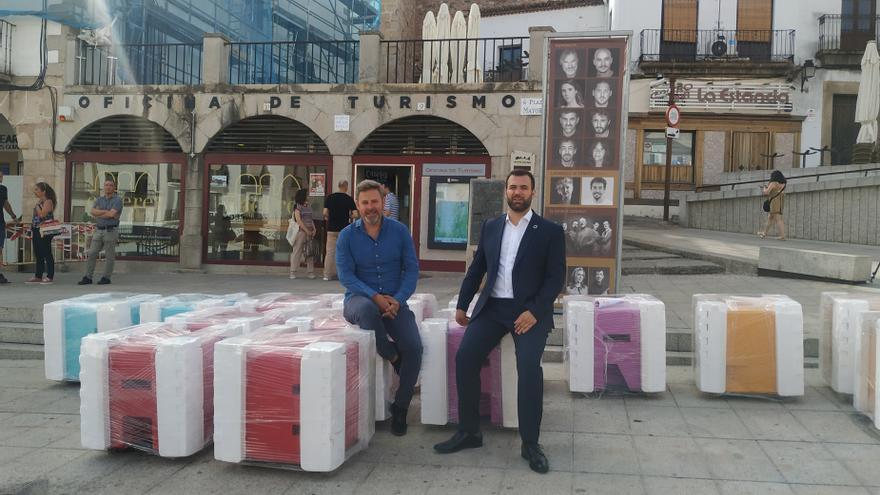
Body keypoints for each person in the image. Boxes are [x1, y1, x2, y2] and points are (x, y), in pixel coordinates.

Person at [433, 170, 565, 474]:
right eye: (513, 187)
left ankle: (530, 443)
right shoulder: (492, 227)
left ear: (533, 193)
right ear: (506, 191)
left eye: (523, 188)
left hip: (529, 312)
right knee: (465, 357)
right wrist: (463, 304)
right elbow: (477, 268)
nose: (517, 192)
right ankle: (470, 432)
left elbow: (555, 278)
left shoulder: (549, 231)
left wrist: (534, 311)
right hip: (492, 308)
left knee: (529, 367)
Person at [337, 179, 421, 436]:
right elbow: (346, 276)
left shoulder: (399, 231)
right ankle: (393, 356)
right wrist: (375, 296)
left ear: (383, 203)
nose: (370, 207)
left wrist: (398, 299)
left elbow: (412, 269)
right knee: (366, 311)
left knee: (415, 347)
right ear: (357, 205)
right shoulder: (346, 236)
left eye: (375, 202)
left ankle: (401, 408)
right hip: (359, 299)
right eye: (365, 203)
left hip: (395, 302)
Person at [78, 179, 123, 285]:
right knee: (92, 253)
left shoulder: (117, 200)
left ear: (114, 187)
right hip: (98, 229)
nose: (108, 187)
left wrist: (100, 213)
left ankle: (106, 278)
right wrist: (106, 212)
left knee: (109, 255)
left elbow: (112, 215)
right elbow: (93, 212)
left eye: (110, 185)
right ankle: (88, 277)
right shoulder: (99, 199)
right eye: (106, 185)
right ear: (104, 187)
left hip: (111, 230)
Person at [322, 179, 357, 281]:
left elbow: (324, 212)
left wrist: (329, 217)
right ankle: (342, 274)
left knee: (330, 253)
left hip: (331, 229)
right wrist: (349, 216)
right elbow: (356, 214)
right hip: (344, 229)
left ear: (338, 186)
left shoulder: (330, 197)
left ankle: (327, 275)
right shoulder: (348, 199)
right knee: (343, 252)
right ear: (346, 187)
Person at [27, 182, 56, 284]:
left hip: (45, 230)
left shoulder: (48, 202)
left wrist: (38, 206)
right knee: (38, 252)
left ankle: (50, 276)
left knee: (46, 252)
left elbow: (42, 215)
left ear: (43, 191)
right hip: (36, 229)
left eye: (37, 190)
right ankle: (38, 275)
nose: (35, 192)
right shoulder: (39, 202)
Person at [289, 188, 316, 279]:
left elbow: (310, 218)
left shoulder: (308, 206)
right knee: (297, 251)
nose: (308, 196)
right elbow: (299, 220)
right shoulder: (298, 207)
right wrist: (306, 230)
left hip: (309, 231)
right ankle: (293, 271)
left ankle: (310, 272)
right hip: (301, 231)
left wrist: (314, 228)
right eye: (306, 194)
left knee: (309, 251)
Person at [758, 170, 787, 240]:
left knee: (778, 219)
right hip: (780, 201)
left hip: (774, 202)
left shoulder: (773, 183)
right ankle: (764, 233)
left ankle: (783, 236)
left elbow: (766, 192)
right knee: (770, 218)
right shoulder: (783, 184)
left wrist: (764, 188)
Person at [0, 171, 18, 283]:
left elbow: (5, 204)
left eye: (1, 175)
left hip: (0, 222)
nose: (1, 177)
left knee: (0, 249)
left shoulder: (2, 189)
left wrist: (13, 216)